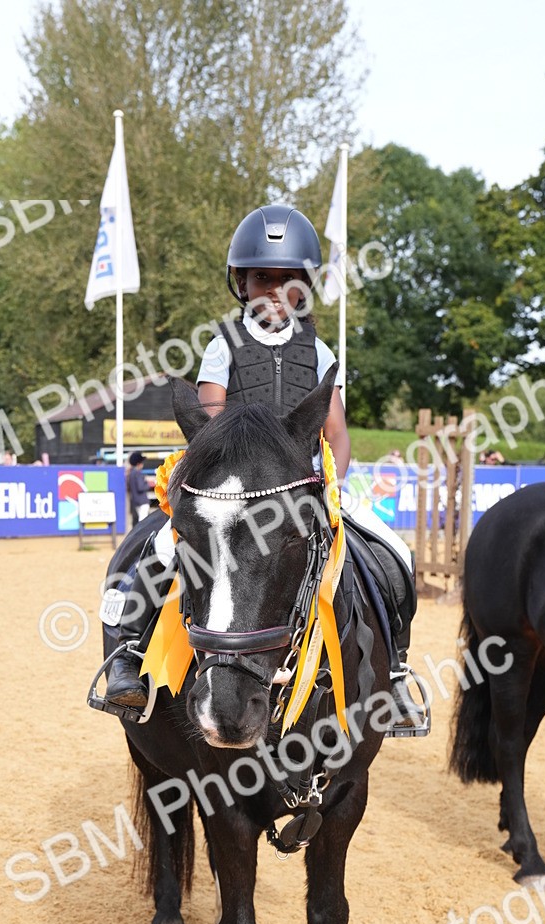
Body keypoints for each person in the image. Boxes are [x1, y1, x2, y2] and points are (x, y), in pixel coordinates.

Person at [98, 205, 426, 733]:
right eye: (262, 279)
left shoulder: (317, 351)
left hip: (306, 487)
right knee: (161, 547)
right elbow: (210, 424)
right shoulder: (221, 346)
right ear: (241, 283)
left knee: (395, 552)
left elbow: (337, 434)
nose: (275, 291)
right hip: (235, 492)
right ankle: (128, 656)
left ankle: (395, 673)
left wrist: (328, 487)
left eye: (288, 280)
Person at [127, 451, 153, 525]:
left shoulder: (131, 473)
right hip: (142, 501)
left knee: (139, 521)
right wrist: (150, 484)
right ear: (138, 463)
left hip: (135, 501)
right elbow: (141, 487)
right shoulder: (138, 473)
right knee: (143, 523)